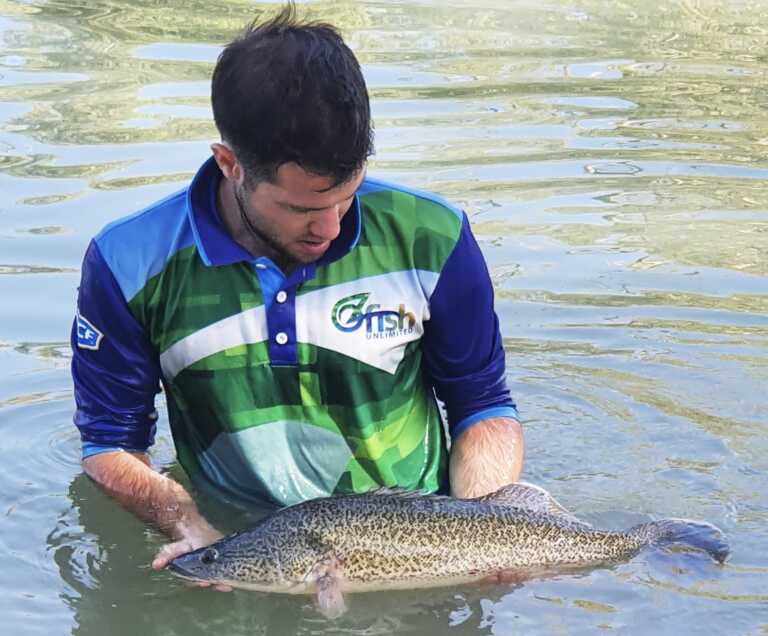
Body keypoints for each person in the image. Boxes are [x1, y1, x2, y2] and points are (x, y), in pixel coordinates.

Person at [70, 4, 523, 574]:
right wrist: (202, 537)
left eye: (347, 195)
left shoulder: (432, 237)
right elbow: (110, 444)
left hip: (424, 538)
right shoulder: (127, 263)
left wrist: (483, 535)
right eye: (301, 208)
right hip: (239, 530)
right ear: (230, 164)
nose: (332, 228)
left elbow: (481, 403)